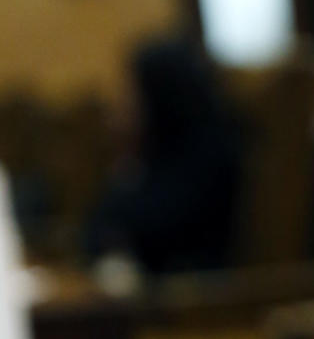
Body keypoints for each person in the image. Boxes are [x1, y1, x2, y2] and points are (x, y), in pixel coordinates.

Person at [85, 37, 241, 276]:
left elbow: (145, 227)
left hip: (195, 300)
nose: (125, 104)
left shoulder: (209, 151)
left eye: (133, 92)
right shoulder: (160, 148)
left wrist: (125, 174)